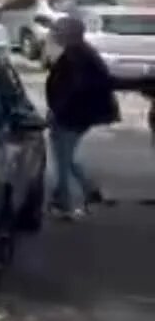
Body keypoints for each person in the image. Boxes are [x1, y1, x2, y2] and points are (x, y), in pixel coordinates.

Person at [44, 15, 119, 218]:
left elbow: (74, 89)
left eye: (57, 31)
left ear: (68, 33)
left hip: (71, 116)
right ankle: (90, 190)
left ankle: (64, 204)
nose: (54, 34)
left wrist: (57, 112)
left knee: (62, 161)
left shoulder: (76, 55)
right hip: (78, 115)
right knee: (67, 158)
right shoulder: (81, 52)